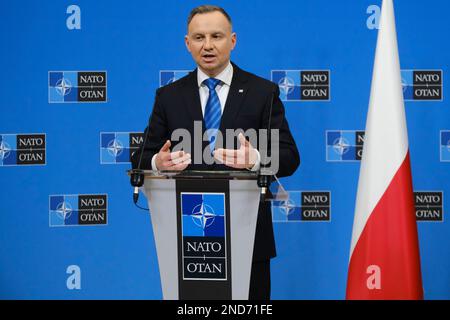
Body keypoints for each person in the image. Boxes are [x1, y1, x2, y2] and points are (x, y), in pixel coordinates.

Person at [131, 5, 300, 300]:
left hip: (248, 239)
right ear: (187, 44)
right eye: (198, 37)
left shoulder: (263, 92)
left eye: (216, 36)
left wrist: (257, 159)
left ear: (232, 41)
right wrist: (159, 161)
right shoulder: (169, 96)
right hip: (188, 240)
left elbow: (288, 156)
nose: (207, 45)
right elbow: (141, 158)